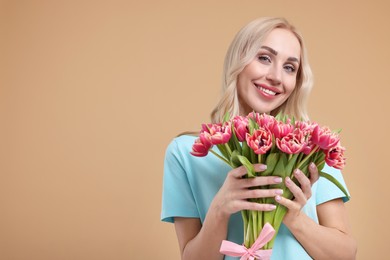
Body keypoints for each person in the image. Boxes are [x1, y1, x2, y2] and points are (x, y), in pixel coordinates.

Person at [161, 17, 357, 259]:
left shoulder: (311, 148)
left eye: (289, 67)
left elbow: (346, 255)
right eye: (264, 58)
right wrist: (220, 209)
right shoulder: (185, 152)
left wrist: (293, 215)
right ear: (238, 62)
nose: (276, 76)